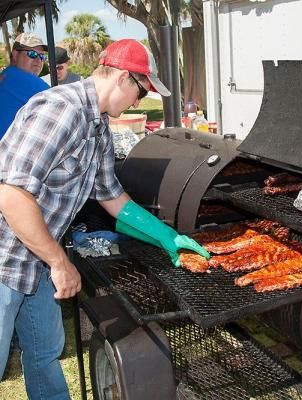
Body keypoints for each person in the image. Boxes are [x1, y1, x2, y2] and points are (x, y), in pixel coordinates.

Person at [0, 38, 210, 399]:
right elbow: (11, 194)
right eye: (140, 92)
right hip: (5, 260)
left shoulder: (96, 124)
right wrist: (59, 262)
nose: (138, 103)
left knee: (45, 357)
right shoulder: (60, 110)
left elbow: (112, 196)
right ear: (123, 79)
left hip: (34, 263)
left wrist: (165, 236)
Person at [0, 32, 49, 139]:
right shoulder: (26, 81)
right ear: (15, 54)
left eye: (42, 57)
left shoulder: (6, 75)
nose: (38, 60)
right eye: (32, 54)